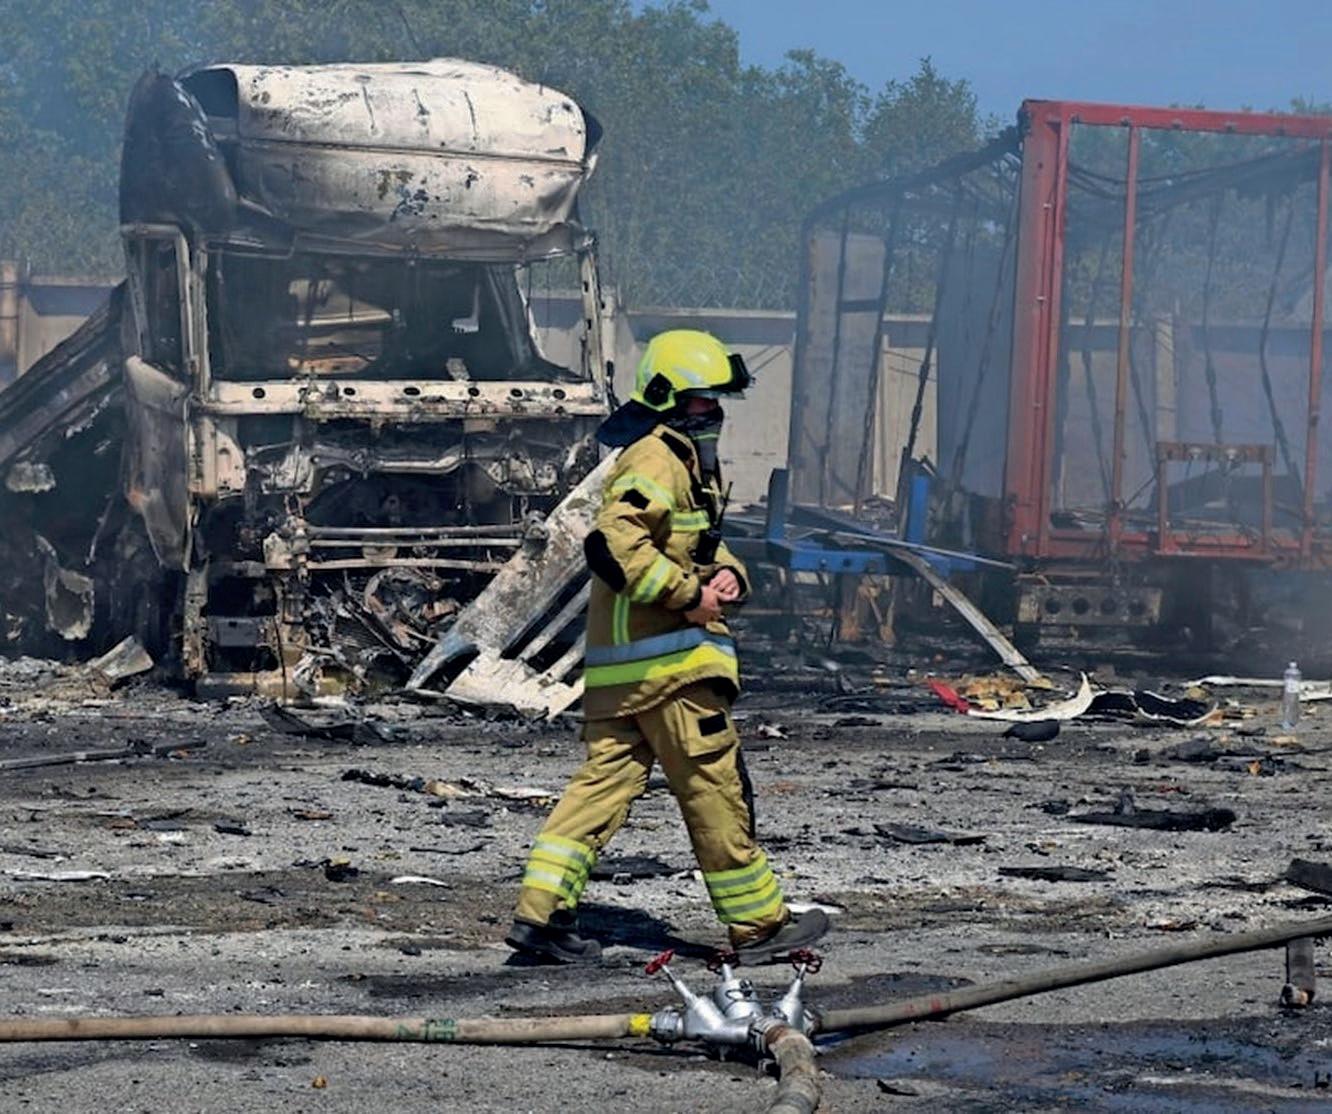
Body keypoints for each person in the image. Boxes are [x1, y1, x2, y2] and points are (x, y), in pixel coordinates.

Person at [505, 329, 829, 964]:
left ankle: (540, 918)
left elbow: (698, 543)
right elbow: (613, 545)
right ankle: (760, 926)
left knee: (598, 793)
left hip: (625, 679)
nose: (715, 412)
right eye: (705, 401)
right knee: (714, 788)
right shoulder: (657, 457)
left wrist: (729, 575)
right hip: (672, 671)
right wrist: (688, 597)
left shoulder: (679, 462)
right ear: (669, 398)